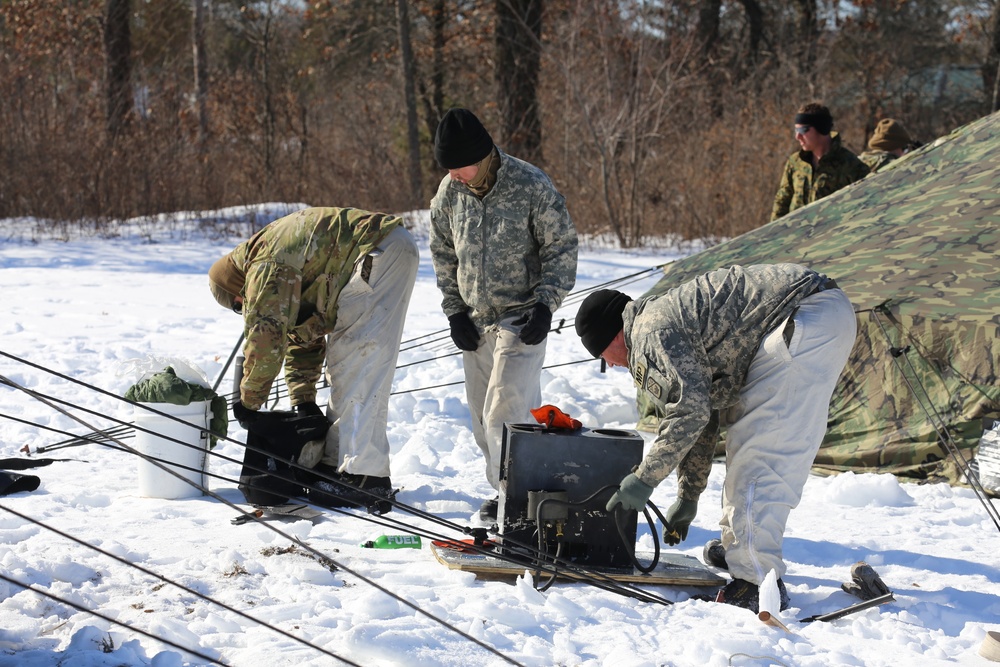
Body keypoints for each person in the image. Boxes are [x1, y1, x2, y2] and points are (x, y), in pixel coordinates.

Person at [575, 264, 857, 612]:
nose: (611, 365)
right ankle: (743, 550)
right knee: (747, 445)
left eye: (602, 356)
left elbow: (689, 411)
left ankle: (756, 580)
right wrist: (688, 494)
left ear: (612, 337)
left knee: (759, 457)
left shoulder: (649, 334)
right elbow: (702, 412)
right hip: (812, 315)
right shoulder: (656, 323)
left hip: (804, 319)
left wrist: (644, 479)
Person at [208, 206, 418, 509]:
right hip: (381, 251)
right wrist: (303, 400)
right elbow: (302, 332)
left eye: (239, 304)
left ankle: (365, 478)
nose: (243, 309)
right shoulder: (275, 258)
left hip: (377, 252)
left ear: (236, 286)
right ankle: (339, 467)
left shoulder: (265, 264)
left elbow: (266, 333)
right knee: (348, 366)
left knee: (358, 366)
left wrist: (249, 402)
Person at [429, 108, 578, 521]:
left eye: (461, 167)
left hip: (522, 316)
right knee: (481, 418)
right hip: (475, 319)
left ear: (483, 154)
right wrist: (454, 311)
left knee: (505, 410)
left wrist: (547, 305)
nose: (455, 176)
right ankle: (508, 490)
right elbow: (442, 251)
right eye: (449, 169)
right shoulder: (449, 192)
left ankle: (518, 496)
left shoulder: (530, 184)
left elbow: (561, 247)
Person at [771, 103, 869, 221]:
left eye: (803, 130)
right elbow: (782, 201)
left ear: (821, 128)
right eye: (796, 130)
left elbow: (865, 206)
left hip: (830, 235)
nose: (797, 136)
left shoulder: (850, 164)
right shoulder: (795, 162)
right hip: (796, 236)